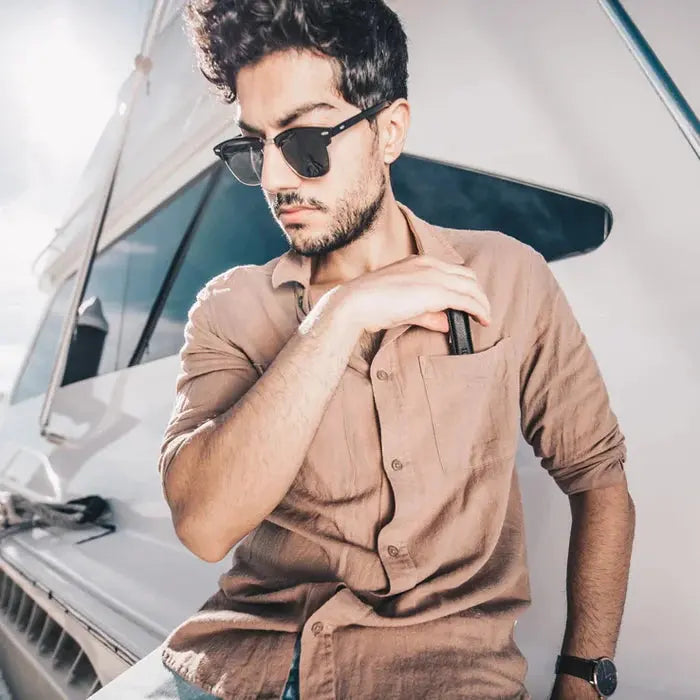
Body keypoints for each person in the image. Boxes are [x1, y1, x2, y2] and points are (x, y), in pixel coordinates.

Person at [92, 1, 635, 698]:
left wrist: (584, 678)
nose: (277, 179)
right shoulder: (231, 307)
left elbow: (599, 480)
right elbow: (204, 526)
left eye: (305, 142)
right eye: (256, 147)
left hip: (443, 677)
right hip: (242, 667)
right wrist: (338, 319)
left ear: (389, 131)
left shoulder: (506, 277)